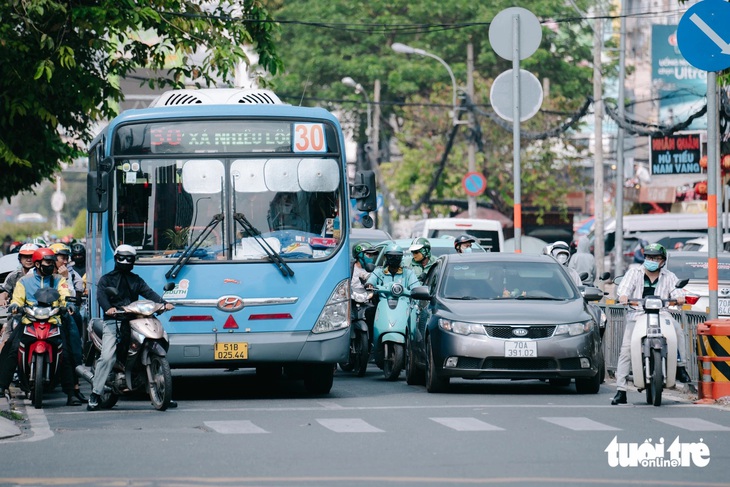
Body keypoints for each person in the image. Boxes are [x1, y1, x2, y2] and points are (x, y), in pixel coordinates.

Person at [88, 244, 175, 411]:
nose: (126, 261)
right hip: (114, 321)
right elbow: (101, 296)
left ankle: (163, 394)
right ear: (116, 258)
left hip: (135, 319)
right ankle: (95, 394)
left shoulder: (136, 280)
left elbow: (149, 293)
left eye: (129, 258)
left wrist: (164, 303)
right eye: (122, 258)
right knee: (107, 357)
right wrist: (109, 308)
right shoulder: (106, 279)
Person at [611, 243, 691, 405]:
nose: (651, 260)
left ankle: (680, 367)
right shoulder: (634, 273)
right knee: (626, 349)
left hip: (662, 314)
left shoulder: (669, 276)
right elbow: (623, 290)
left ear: (662, 261)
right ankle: (621, 390)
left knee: (677, 330)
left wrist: (680, 298)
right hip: (637, 314)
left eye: (655, 258)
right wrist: (624, 297)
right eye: (648, 257)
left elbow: (678, 293)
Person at [0, 248, 81, 405]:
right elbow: (17, 298)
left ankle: (71, 393)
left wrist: (68, 304)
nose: (50, 265)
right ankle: (2, 386)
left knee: (66, 354)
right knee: (12, 348)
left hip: (53, 321)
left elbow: (65, 295)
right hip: (28, 321)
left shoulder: (59, 280)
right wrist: (15, 306)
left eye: (52, 262)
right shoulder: (24, 281)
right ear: (37, 264)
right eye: (47, 262)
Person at [0, 243, 39, 352]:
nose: (28, 259)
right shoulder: (14, 276)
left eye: (31, 256)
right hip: (17, 314)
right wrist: (2, 299)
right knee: (6, 341)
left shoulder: (44, 275)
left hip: (41, 315)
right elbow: (4, 292)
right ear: (20, 259)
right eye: (25, 256)